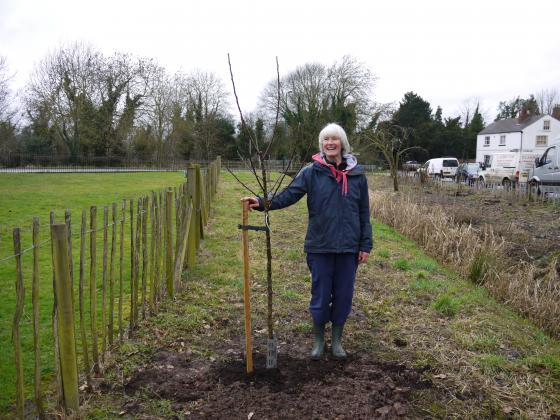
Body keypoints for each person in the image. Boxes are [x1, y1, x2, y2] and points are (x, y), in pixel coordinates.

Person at [242, 122, 372, 360]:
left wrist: (365, 245)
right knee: (321, 296)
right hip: (320, 246)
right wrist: (262, 202)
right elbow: (288, 195)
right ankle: (319, 342)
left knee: (343, 295)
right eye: (325, 139)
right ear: (321, 145)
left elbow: (363, 212)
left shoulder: (357, 175)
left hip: (348, 248)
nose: (330, 143)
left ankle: (337, 342)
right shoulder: (311, 172)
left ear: (342, 143)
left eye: (334, 139)